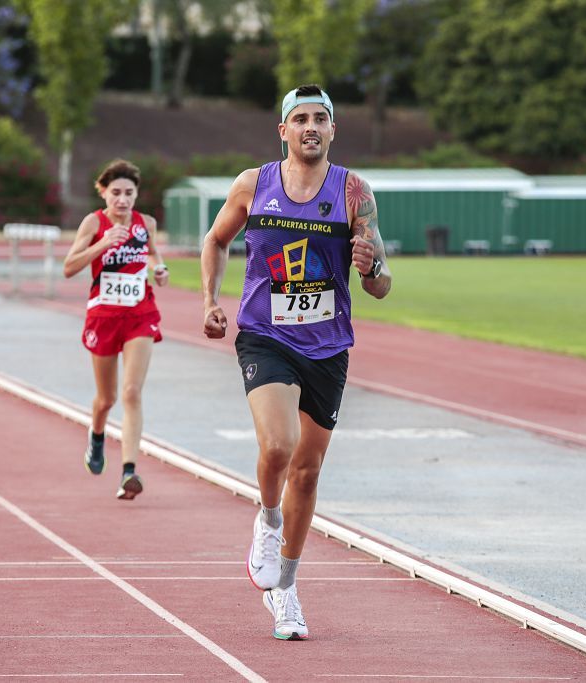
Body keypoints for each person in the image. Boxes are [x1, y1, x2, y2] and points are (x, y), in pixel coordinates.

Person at [200, 84, 392, 640]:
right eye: (300, 118)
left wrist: (371, 265)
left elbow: (380, 285)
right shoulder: (252, 185)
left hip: (328, 346)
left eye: (320, 119)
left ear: (334, 130)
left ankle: (285, 589)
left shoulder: (355, 191)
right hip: (265, 335)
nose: (311, 126)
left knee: (306, 471)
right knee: (278, 445)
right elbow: (215, 242)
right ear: (283, 130)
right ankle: (266, 519)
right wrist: (211, 300)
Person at [64, 159, 170, 500]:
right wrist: (103, 243)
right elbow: (69, 267)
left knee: (131, 392)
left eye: (129, 193)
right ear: (104, 193)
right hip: (104, 316)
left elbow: (152, 254)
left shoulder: (146, 224)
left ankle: (129, 471)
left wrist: (160, 268)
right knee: (107, 398)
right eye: (116, 193)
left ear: (137, 194)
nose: (122, 200)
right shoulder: (93, 222)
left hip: (140, 313)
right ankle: (96, 435)